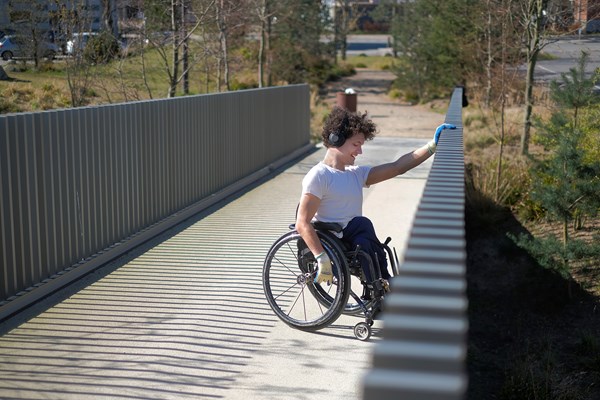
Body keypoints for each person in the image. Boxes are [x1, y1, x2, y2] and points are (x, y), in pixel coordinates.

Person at [295, 106, 455, 287]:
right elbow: (302, 223)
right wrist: (321, 257)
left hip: (351, 235)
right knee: (362, 226)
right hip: (332, 236)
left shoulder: (355, 174)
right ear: (336, 139)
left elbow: (397, 167)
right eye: (356, 144)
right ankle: (378, 285)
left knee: (364, 230)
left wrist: (431, 146)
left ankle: (381, 284)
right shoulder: (319, 176)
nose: (360, 151)